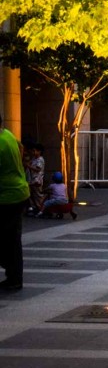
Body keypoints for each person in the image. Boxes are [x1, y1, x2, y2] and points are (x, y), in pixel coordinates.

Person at [0, 115, 28, 291]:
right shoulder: (7, 135)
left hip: (7, 196)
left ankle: (14, 276)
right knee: (12, 239)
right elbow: (21, 147)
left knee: (8, 240)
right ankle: (14, 277)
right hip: (18, 192)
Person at [24, 143, 44, 215]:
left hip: (37, 180)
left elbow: (38, 169)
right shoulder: (34, 158)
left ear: (39, 151)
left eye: (35, 151)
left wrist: (28, 166)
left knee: (38, 195)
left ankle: (41, 209)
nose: (33, 152)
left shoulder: (40, 159)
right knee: (33, 194)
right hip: (32, 179)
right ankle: (37, 208)